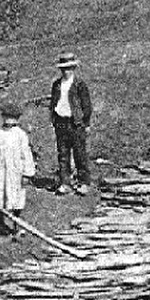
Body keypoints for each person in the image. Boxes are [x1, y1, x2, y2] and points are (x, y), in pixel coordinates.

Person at [48, 53, 93, 195]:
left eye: (69, 68)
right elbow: (53, 102)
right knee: (63, 154)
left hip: (75, 123)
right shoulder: (57, 84)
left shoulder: (79, 84)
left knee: (79, 153)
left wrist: (86, 123)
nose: (66, 72)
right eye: (63, 69)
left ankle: (83, 182)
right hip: (61, 122)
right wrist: (54, 119)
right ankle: (65, 182)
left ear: (74, 68)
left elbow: (86, 105)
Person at [0, 103, 36, 236]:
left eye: (13, 118)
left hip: (15, 171)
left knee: (16, 197)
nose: (9, 120)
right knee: (0, 196)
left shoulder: (20, 134)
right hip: (1, 171)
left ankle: (16, 224)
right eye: (7, 117)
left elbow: (26, 154)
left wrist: (27, 173)